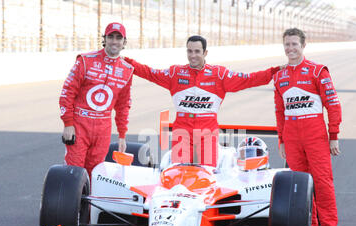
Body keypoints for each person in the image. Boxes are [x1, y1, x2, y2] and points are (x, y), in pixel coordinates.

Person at [123, 35, 280, 167]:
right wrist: (127, 62)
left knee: (207, 172)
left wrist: (274, 72)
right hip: (182, 130)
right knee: (179, 171)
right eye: (189, 51)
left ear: (205, 53)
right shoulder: (175, 73)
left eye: (197, 51)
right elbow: (149, 73)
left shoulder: (219, 74)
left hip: (207, 131)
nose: (193, 55)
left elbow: (249, 79)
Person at [273, 28, 342, 226]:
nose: (290, 48)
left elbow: (333, 104)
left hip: (315, 135)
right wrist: (281, 140)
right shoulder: (279, 76)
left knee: (322, 183)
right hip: (292, 137)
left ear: (303, 46)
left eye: (294, 44)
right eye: (287, 44)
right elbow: (280, 112)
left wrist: (333, 136)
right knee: (299, 186)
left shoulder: (317, 71)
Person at [59, 22, 134, 178]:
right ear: (104, 39)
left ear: (124, 42)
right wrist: (68, 124)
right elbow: (67, 92)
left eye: (118, 38)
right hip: (80, 125)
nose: (114, 41)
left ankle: (89, 204)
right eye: (111, 37)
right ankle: (71, 203)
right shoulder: (85, 61)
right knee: (74, 173)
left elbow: (123, 106)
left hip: (103, 129)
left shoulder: (127, 70)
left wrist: (122, 135)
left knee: (96, 173)